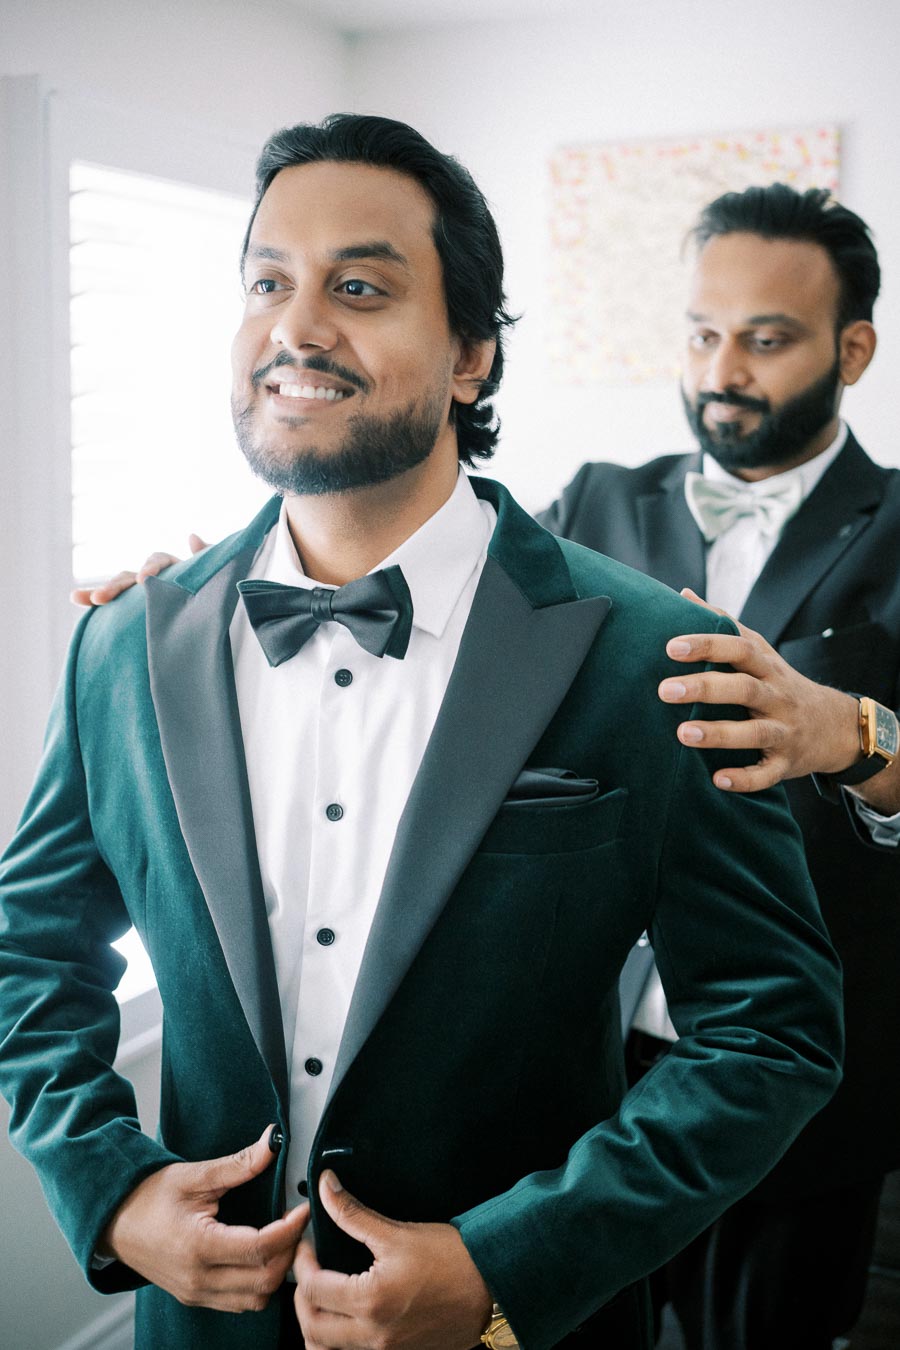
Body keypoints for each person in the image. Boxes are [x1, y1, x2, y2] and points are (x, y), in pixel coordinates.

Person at [0, 119, 844, 1350]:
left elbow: (771, 1031)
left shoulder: (656, 656)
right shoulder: (123, 647)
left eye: (360, 286)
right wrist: (111, 1189)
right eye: (267, 283)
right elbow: (30, 954)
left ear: (470, 358)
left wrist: (510, 1269)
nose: (295, 326)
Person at [539, 183, 900, 1349]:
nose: (721, 368)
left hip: (807, 1060)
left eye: (767, 337)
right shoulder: (592, 500)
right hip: (583, 1047)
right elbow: (434, 624)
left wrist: (845, 732)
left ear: (855, 349)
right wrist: (237, 588)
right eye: (702, 332)